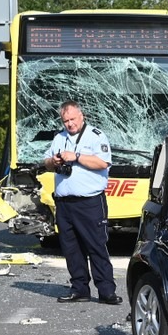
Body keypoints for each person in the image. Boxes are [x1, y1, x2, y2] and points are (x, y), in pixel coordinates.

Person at [44, 101, 122, 305]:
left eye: (72, 119)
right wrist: (55, 161)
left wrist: (76, 157)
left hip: (89, 202)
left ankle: (106, 291)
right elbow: (46, 162)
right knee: (71, 249)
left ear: (82, 116)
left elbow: (103, 163)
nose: (69, 124)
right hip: (64, 203)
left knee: (96, 246)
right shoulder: (59, 138)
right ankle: (79, 289)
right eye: (65, 121)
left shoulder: (96, 136)